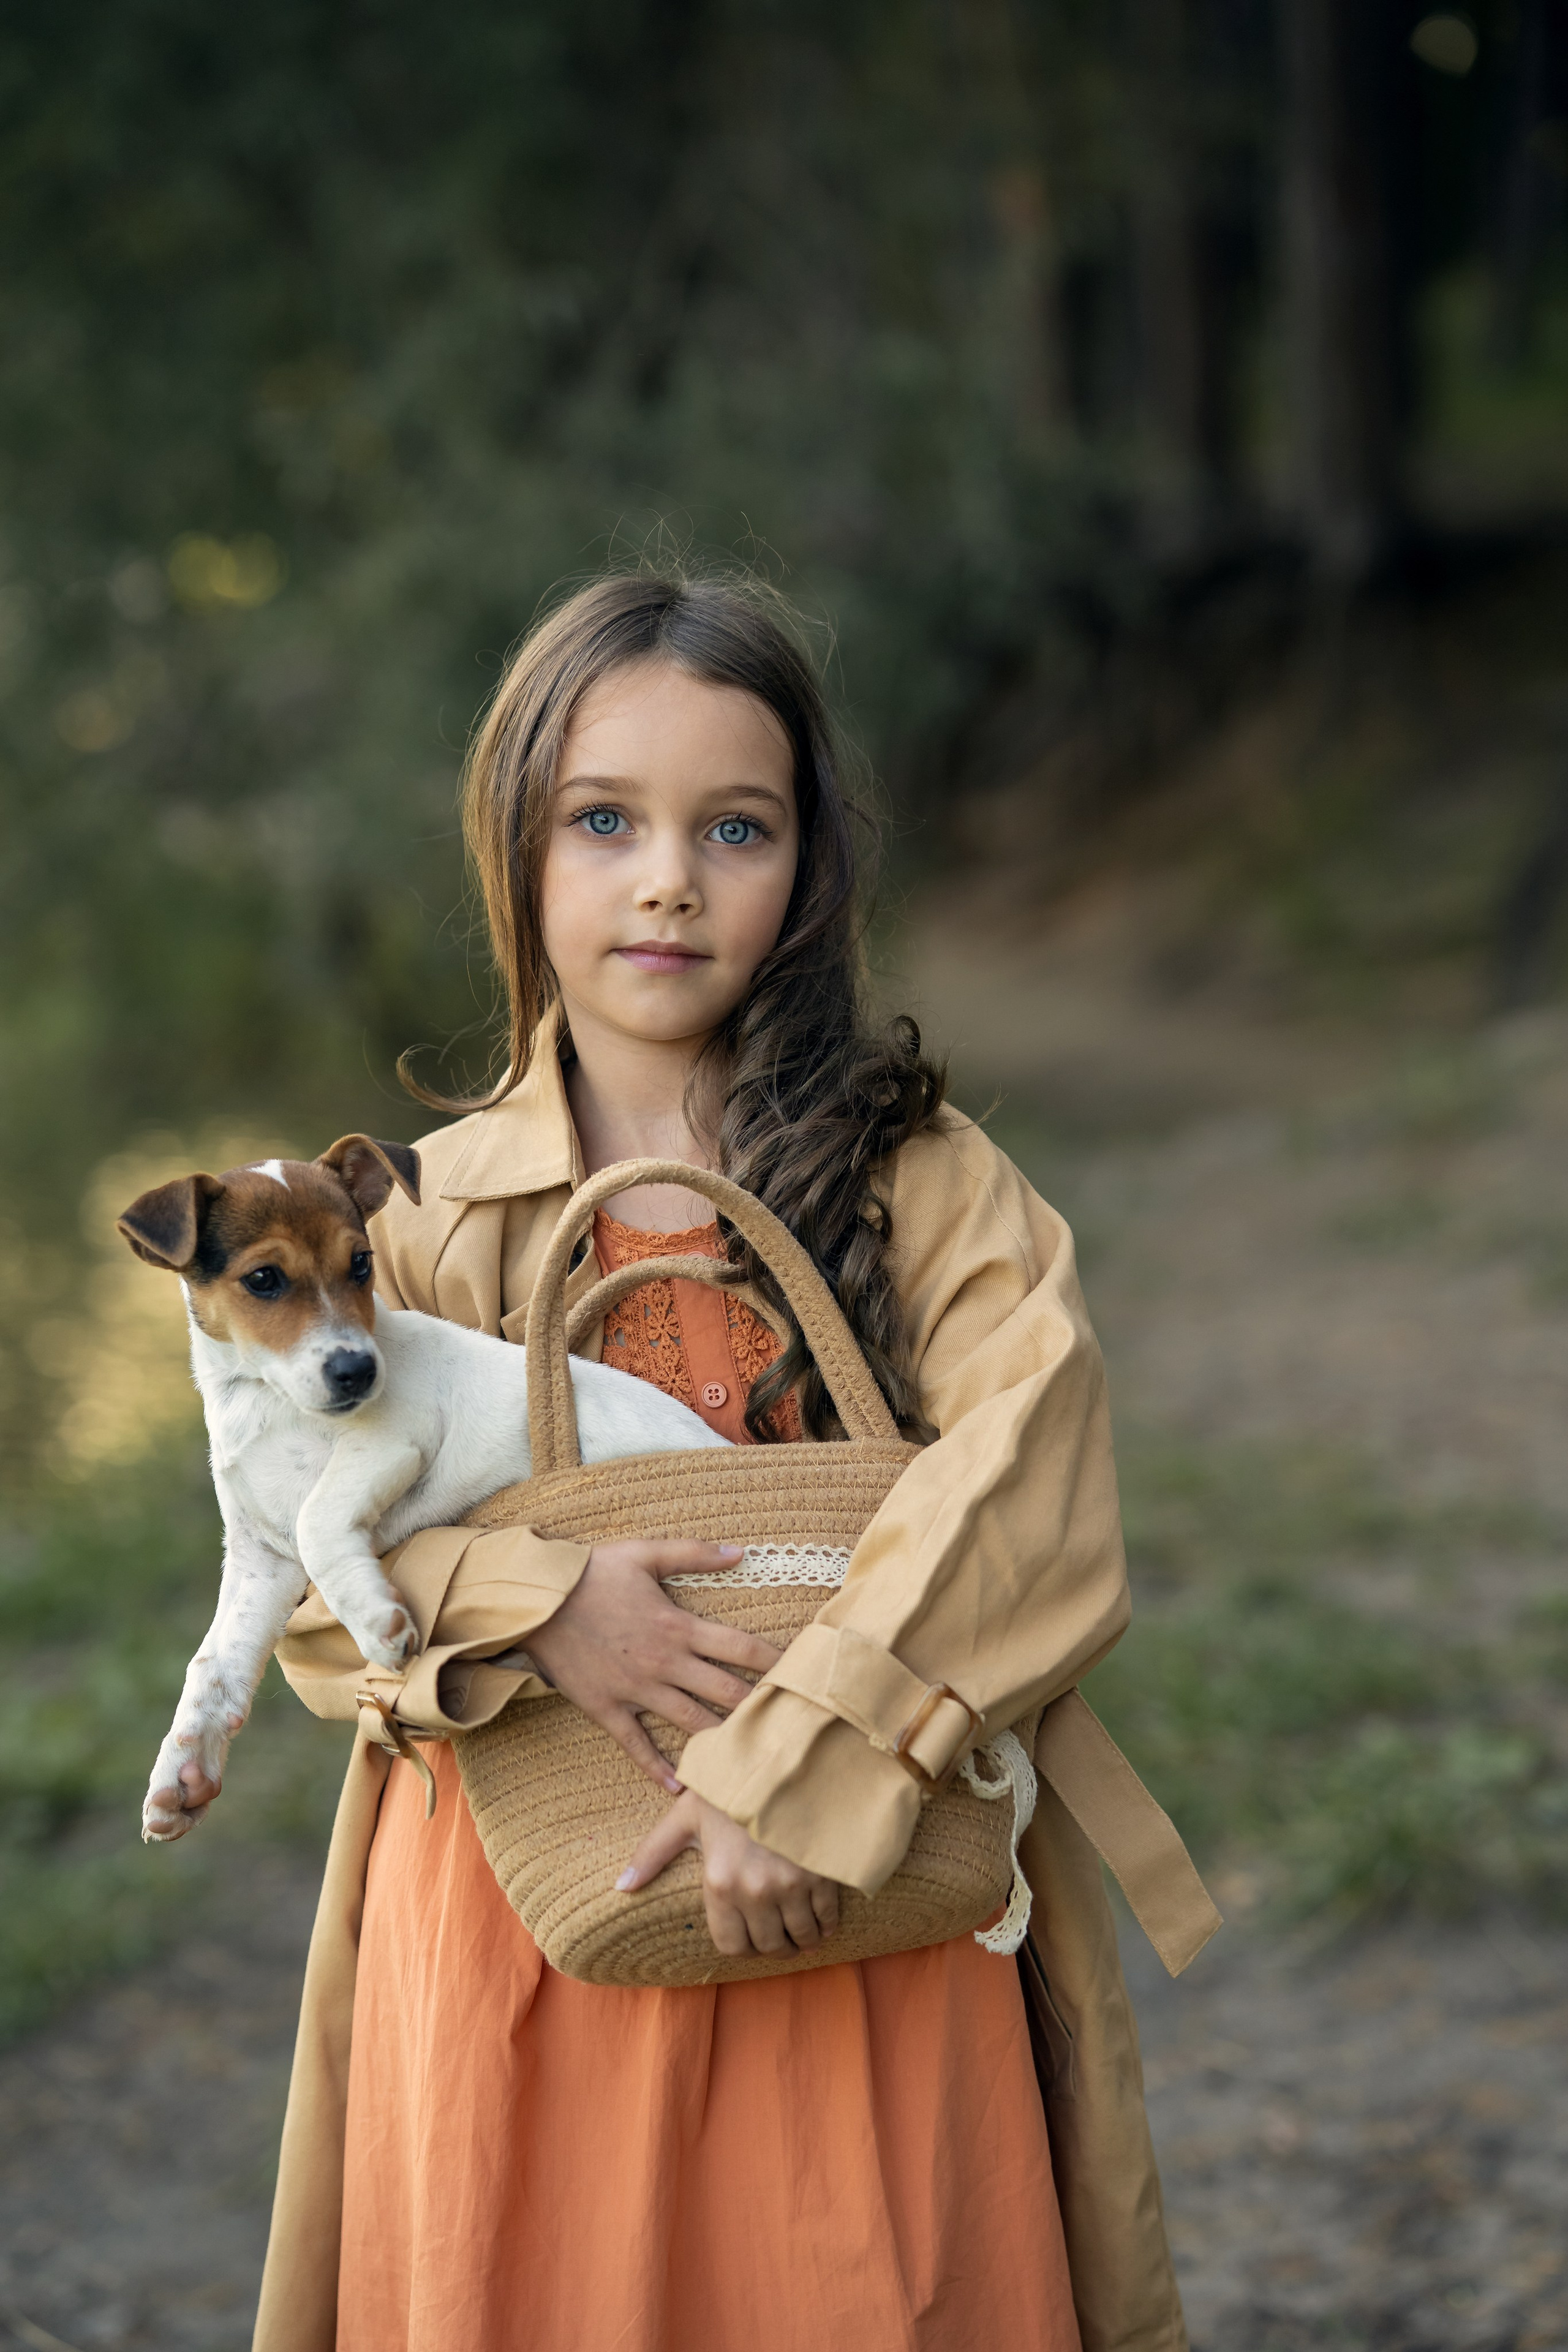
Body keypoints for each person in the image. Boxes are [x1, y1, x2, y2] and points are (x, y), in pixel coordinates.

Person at [246, 570, 1216, 2352]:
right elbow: (310, 1575)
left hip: (867, 1888)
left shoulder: (921, 1179)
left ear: (811, 865)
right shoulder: (426, 1215)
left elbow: (1040, 1494)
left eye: (736, 825)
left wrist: (802, 1760)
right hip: (537, 1925)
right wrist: (541, 1607)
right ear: (517, 850)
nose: (669, 876)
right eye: (603, 820)